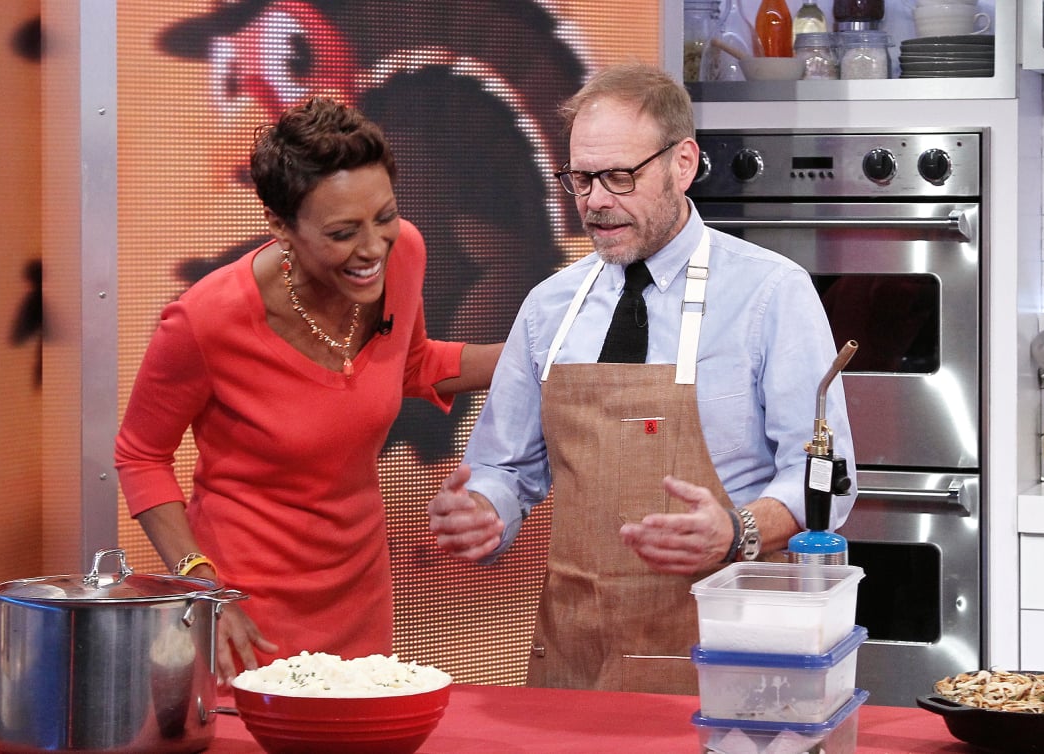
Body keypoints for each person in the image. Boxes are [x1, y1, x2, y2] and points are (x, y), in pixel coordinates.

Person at [426, 62, 857, 695]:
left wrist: (738, 529)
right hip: (578, 653)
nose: (596, 201)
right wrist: (484, 510)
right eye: (580, 179)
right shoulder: (549, 307)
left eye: (620, 177)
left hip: (732, 648)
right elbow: (509, 468)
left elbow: (826, 475)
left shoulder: (771, 293)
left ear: (682, 164)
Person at [115, 97, 502, 687]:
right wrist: (203, 584)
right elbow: (140, 455)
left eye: (385, 217)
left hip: (360, 596)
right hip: (245, 612)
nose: (373, 248)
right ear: (279, 225)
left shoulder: (403, 256)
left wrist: (536, 359)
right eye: (343, 233)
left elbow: (413, 363)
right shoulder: (203, 321)